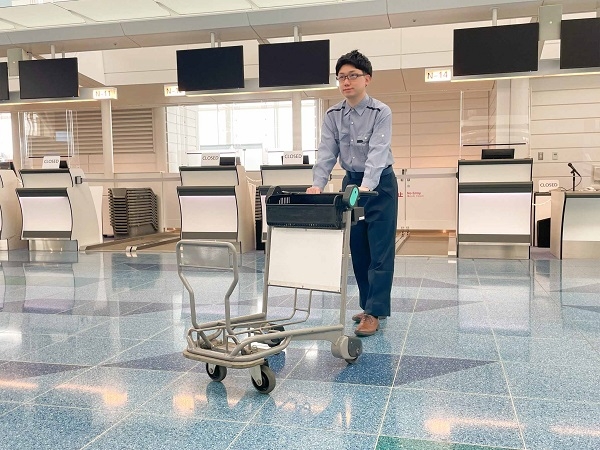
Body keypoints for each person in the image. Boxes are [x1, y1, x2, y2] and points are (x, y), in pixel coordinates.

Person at [307, 50, 397, 337]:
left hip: (380, 184)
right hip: (352, 183)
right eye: (341, 77)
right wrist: (318, 184)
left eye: (353, 76)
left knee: (380, 250)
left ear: (366, 79)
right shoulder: (333, 115)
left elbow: (378, 153)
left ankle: (375, 311)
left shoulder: (381, 112)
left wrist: (368, 186)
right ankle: (367, 305)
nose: (346, 82)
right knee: (358, 249)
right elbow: (326, 152)